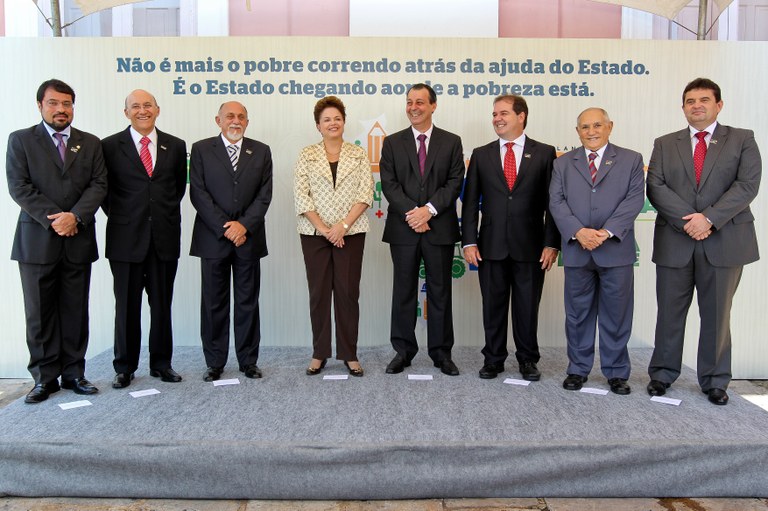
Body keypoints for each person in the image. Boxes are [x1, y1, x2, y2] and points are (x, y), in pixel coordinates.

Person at [646, 78, 762, 406]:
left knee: (716, 314)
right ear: (682, 107)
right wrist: (691, 221)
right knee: (669, 313)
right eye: (689, 101)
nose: (696, 105)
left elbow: (747, 184)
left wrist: (708, 218)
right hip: (675, 240)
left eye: (704, 100)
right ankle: (663, 374)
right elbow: (655, 186)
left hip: (724, 240)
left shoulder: (742, 139)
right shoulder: (666, 143)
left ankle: (714, 380)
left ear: (718, 105)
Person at [6, 78, 107, 403]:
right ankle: (44, 378)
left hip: (77, 239)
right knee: (39, 313)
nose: (61, 109)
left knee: (76, 310)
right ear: (40, 105)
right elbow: (19, 186)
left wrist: (74, 217)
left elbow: (98, 184)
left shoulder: (89, 143)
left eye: (66, 104)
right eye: (54, 103)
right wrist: (57, 218)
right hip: (37, 242)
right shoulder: (21, 140)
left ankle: (74, 373)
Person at [462, 95, 559, 381]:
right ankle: (493, 359)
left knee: (527, 307)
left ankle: (528, 359)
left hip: (531, 245)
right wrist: (469, 241)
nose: (497, 119)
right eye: (494, 114)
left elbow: (554, 202)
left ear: (521, 116)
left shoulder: (544, 153)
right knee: (492, 305)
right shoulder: (482, 153)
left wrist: (551, 242)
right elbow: (469, 203)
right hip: (490, 246)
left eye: (503, 113)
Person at [549, 107, 645, 395]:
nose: (591, 131)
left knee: (616, 314)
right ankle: (578, 369)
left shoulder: (630, 159)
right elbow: (556, 202)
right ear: (577, 131)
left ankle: (616, 372)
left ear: (610, 126)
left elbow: (634, 200)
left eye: (597, 125)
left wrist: (604, 233)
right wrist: (579, 232)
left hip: (615, 250)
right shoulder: (563, 164)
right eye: (585, 127)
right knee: (577, 315)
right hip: (579, 250)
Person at [101, 90, 188, 389]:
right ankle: (124, 367)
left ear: (157, 110)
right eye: (135, 106)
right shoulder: (109, 146)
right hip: (125, 240)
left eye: (147, 105)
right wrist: (128, 218)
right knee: (126, 306)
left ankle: (161, 364)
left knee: (162, 305)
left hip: (164, 237)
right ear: (125, 112)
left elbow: (177, 189)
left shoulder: (175, 146)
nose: (142, 110)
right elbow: (105, 193)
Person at [379, 83, 465, 376]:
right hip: (403, 229)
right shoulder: (391, 142)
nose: (413, 107)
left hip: (438, 227)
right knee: (403, 291)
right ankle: (403, 352)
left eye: (419, 102)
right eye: (409, 102)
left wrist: (427, 211)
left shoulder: (451, 141)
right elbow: (389, 184)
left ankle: (442, 354)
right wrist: (412, 214)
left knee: (440, 292)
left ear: (433, 106)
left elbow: (454, 182)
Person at [189, 101, 273, 382]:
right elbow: (198, 194)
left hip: (248, 238)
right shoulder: (201, 149)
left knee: (247, 302)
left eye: (241, 117)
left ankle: (248, 361)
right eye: (229, 116)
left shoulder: (261, 151)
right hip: (213, 238)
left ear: (247, 122)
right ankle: (214, 362)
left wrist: (243, 226)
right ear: (218, 120)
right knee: (213, 303)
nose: (235, 121)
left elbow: (264, 195)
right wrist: (226, 227)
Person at [293, 96, 374, 377]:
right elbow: (302, 197)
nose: (332, 123)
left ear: (344, 122)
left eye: (337, 118)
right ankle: (319, 353)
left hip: (350, 233)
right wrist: (326, 230)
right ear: (318, 125)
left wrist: (342, 226)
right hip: (314, 234)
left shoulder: (358, 154)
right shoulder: (307, 154)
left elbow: (366, 193)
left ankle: (349, 354)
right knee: (318, 294)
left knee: (348, 293)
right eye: (326, 119)